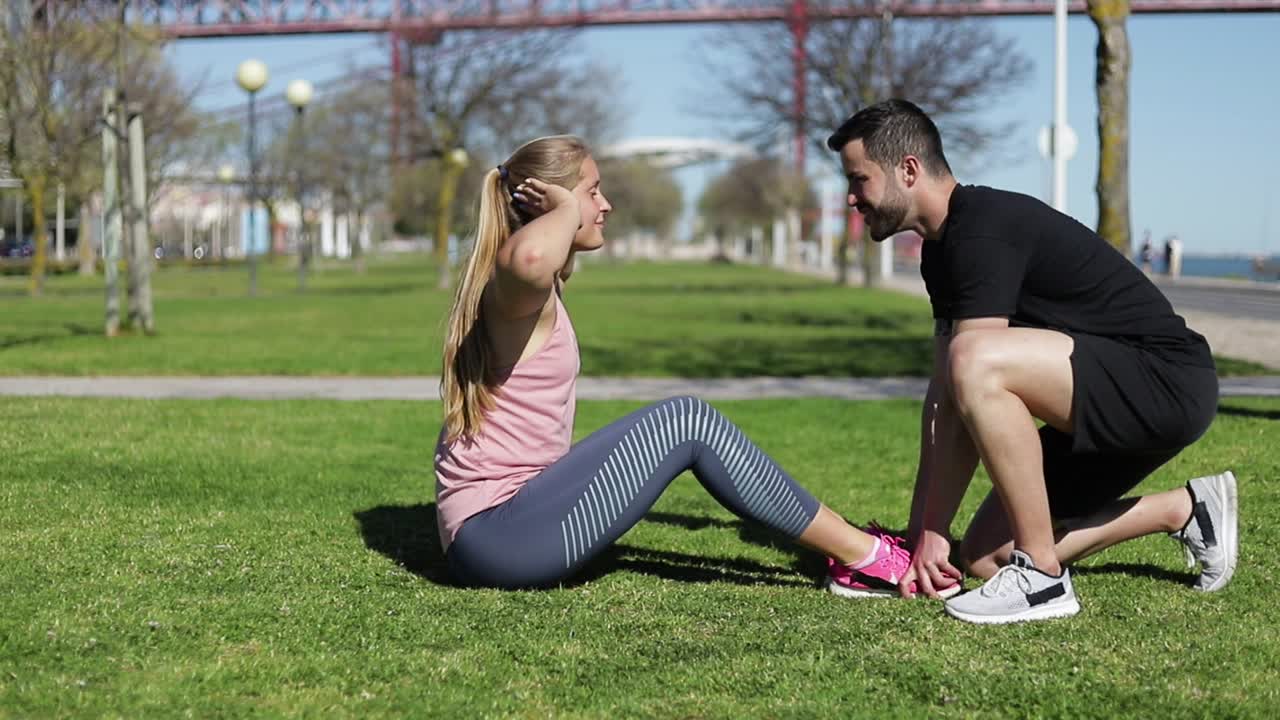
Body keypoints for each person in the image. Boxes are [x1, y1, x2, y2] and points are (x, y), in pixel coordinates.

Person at [433, 134, 956, 598]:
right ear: (550, 203)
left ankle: (856, 547)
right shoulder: (516, 288)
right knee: (686, 423)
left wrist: (567, 207)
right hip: (498, 539)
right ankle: (865, 558)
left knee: (683, 421)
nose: (605, 204)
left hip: (505, 529)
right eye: (592, 191)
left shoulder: (522, 292)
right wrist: (567, 209)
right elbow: (529, 259)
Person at [825, 100, 1237, 624]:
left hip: (1166, 383)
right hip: (1100, 401)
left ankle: (1042, 579)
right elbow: (940, 402)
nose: (850, 196)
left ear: (908, 169)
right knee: (984, 557)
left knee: (973, 359)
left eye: (859, 179)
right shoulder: (939, 251)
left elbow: (967, 378)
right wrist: (922, 535)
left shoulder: (982, 228)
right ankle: (1186, 509)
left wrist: (930, 532)